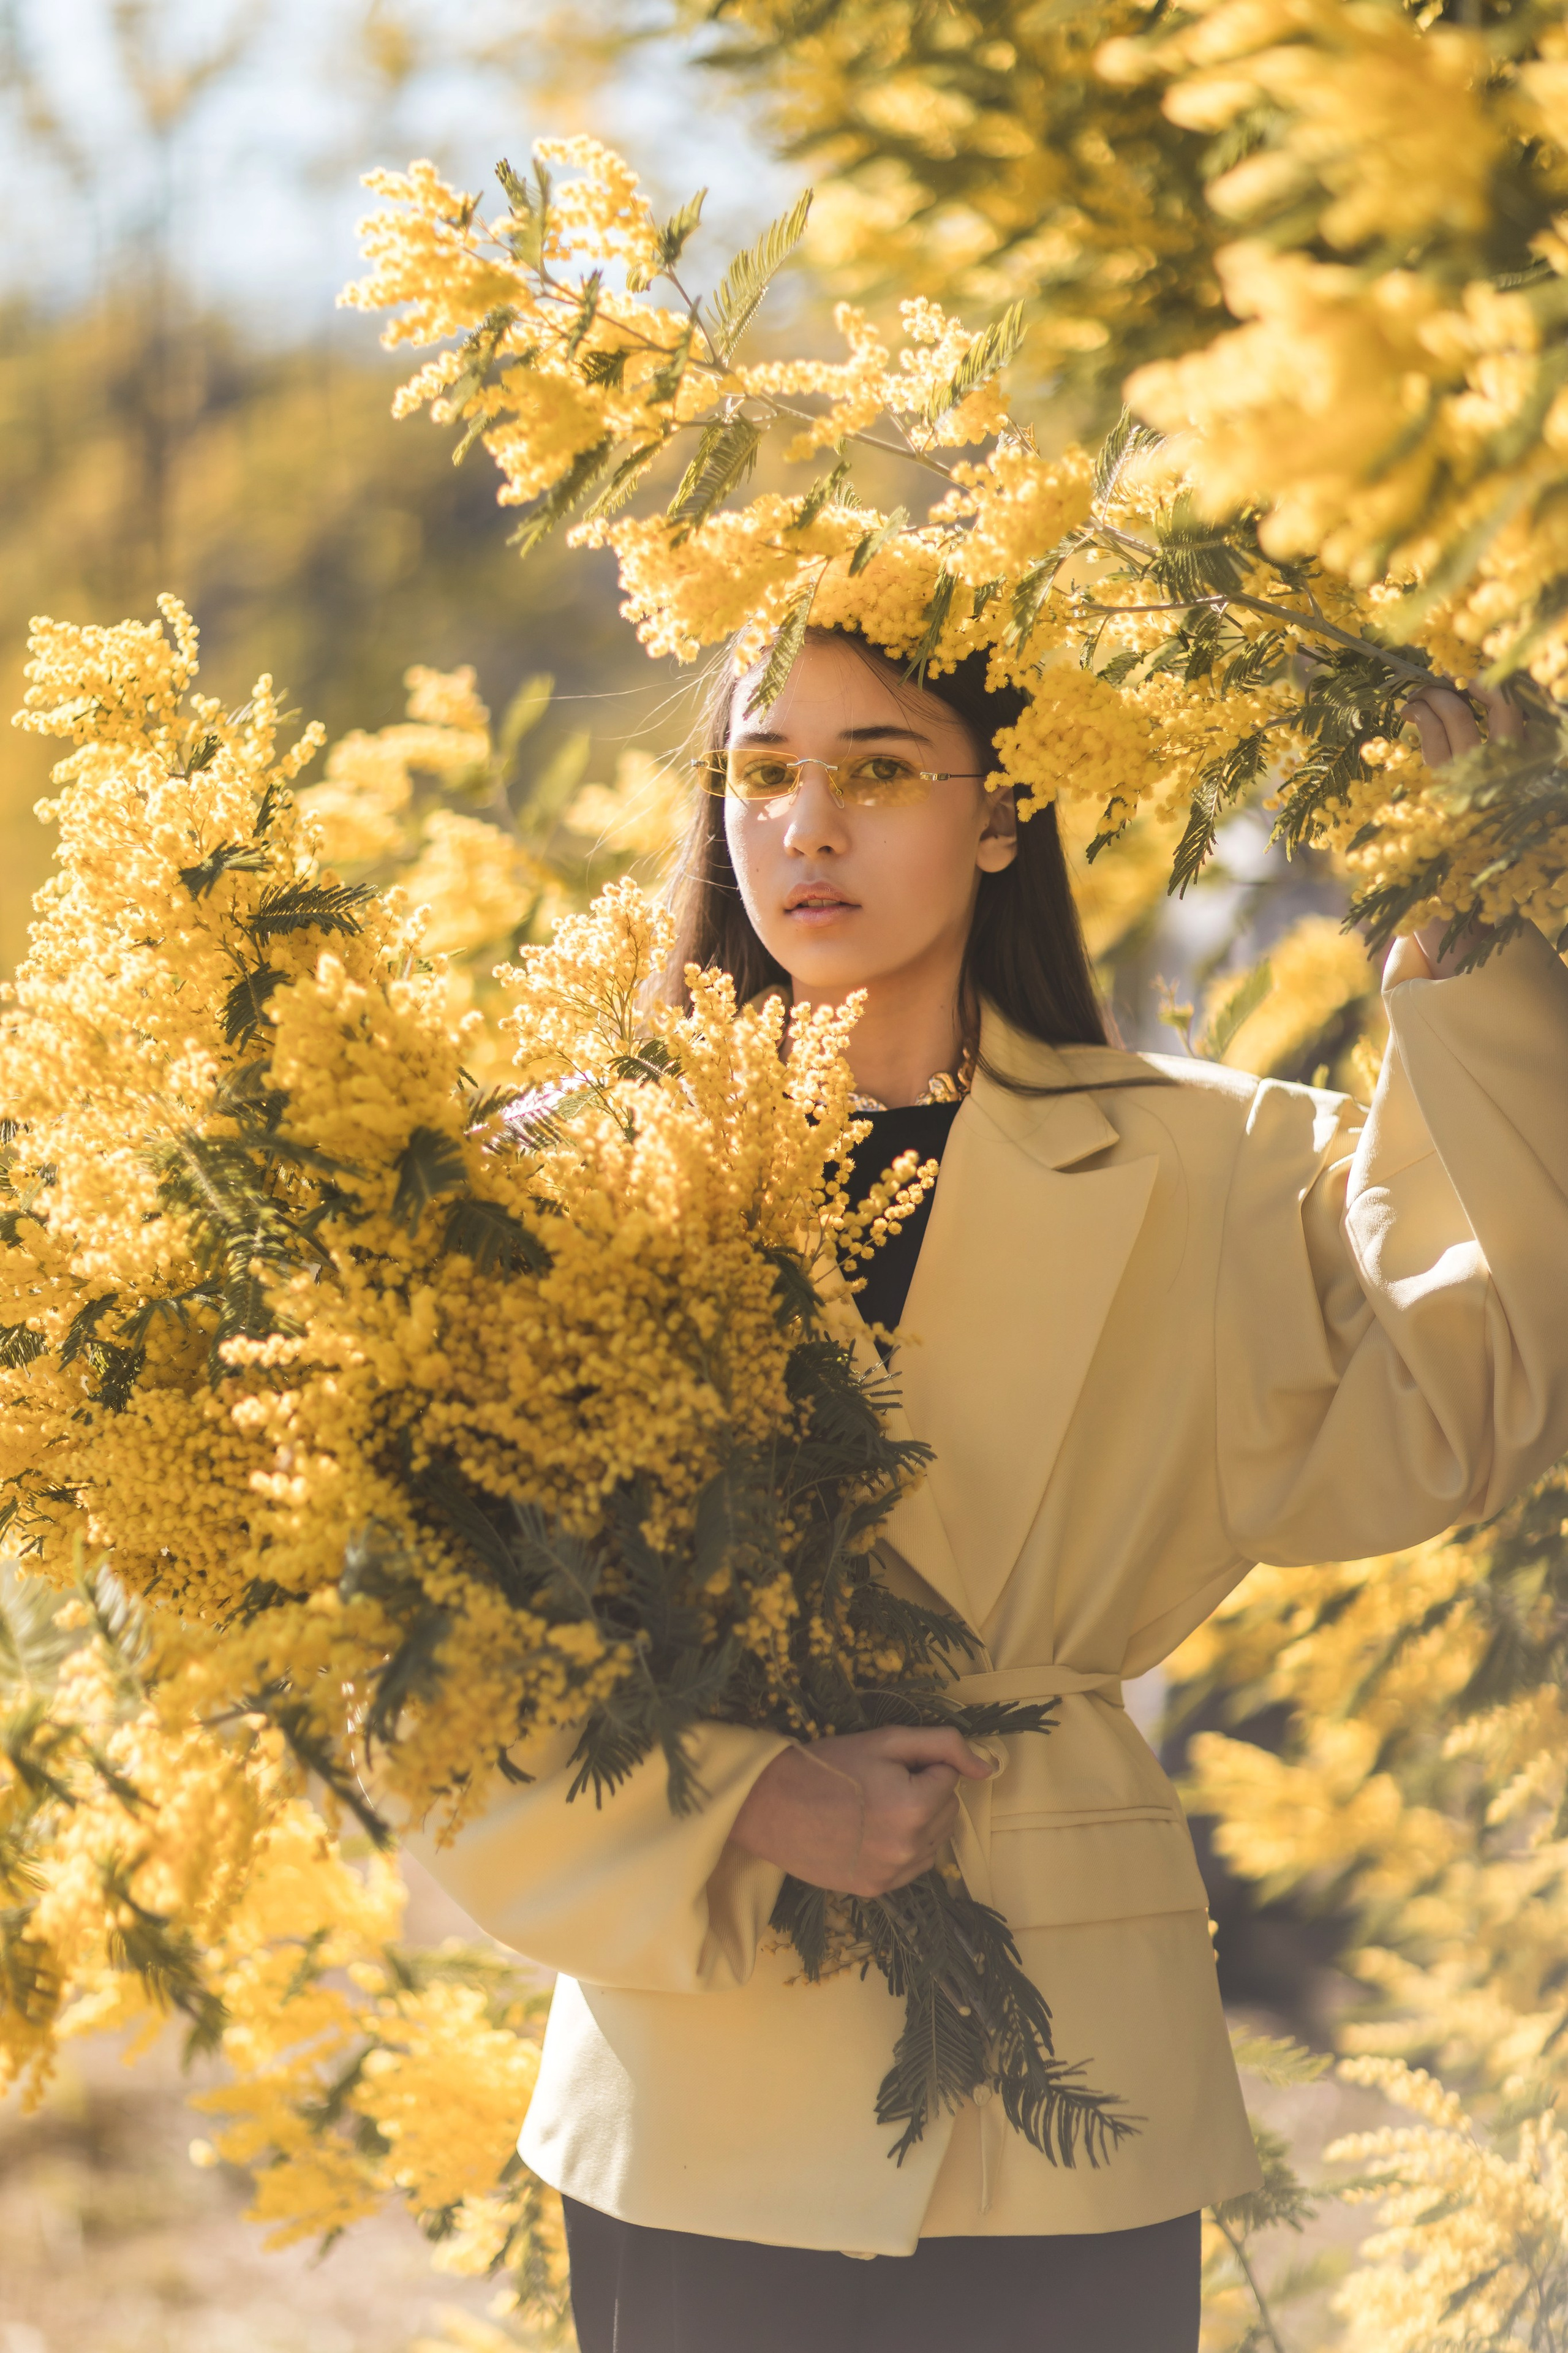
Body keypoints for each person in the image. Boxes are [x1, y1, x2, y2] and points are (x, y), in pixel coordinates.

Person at [407, 628, 1568, 2353]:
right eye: (766, 770)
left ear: (1003, 813)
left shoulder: (1208, 1163)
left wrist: (1464, 932)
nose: (810, 823)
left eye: (879, 768)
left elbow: (1477, 1392)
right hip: (701, 2078)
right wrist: (744, 1805)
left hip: (1067, 2074)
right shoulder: (568, 1180)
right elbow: (435, 1646)